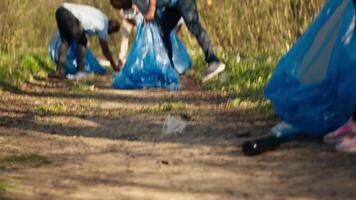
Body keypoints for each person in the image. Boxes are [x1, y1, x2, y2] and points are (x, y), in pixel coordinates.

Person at [110, 0, 225, 83]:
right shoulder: (136, 4)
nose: (121, 7)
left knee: (194, 26)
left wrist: (152, 7)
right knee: (163, 30)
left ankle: (213, 61)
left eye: (118, 4)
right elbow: (154, 18)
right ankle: (170, 68)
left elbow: (151, 9)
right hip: (172, 5)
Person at [49, 3, 120, 80]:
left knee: (66, 41)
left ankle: (59, 71)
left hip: (60, 11)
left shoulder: (101, 17)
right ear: (111, 30)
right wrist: (114, 66)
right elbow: (105, 50)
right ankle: (80, 71)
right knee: (82, 40)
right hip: (69, 15)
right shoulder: (103, 26)